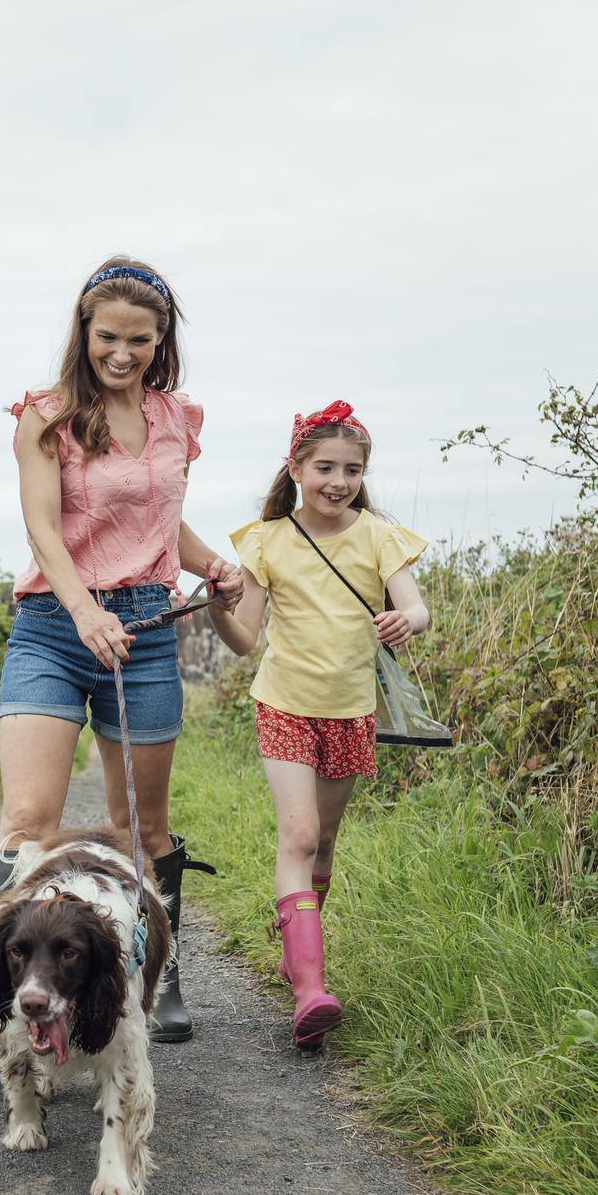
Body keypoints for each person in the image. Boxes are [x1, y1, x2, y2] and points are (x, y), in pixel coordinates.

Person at [0, 256, 245, 1068]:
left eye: (139, 340)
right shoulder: (46, 415)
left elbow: (159, 520)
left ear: (160, 339)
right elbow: (45, 526)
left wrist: (214, 564)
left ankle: (154, 973)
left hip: (144, 625)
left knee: (138, 827)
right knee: (27, 821)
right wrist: (82, 610)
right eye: (108, 336)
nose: (122, 352)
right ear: (84, 332)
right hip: (52, 622)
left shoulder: (179, 418)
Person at [206, 401, 432, 1047]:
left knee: (325, 842)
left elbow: (417, 608)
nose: (339, 481)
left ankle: (295, 954)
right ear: (297, 466)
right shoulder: (266, 540)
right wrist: (218, 610)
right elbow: (245, 639)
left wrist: (405, 620)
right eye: (326, 467)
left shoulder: (379, 536)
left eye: (352, 470)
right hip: (283, 703)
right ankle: (310, 988)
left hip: (352, 710)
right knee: (299, 837)